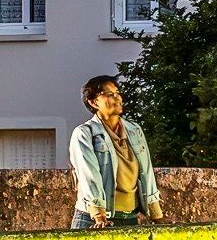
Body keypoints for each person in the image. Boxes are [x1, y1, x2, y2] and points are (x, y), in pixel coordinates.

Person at [68, 73, 158, 229]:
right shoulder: (84, 133)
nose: (117, 98)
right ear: (94, 102)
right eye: (109, 94)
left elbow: (146, 172)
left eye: (117, 93)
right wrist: (98, 215)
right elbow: (89, 175)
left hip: (129, 217)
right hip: (94, 218)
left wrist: (156, 214)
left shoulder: (134, 130)